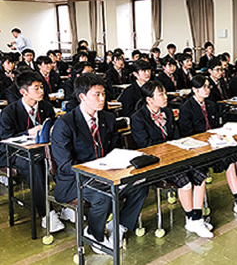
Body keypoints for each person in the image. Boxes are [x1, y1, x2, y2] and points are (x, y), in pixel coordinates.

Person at [51, 73, 149, 253]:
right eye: (97, 94)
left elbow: (116, 150)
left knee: (140, 185)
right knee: (103, 196)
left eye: (103, 93)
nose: (102, 98)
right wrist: (95, 172)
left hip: (108, 174)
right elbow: (65, 165)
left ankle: (118, 225)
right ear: (82, 97)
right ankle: (95, 234)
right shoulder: (65, 124)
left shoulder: (107, 119)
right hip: (75, 181)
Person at [130, 81, 213, 238]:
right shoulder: (138, 118)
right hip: (156, 163)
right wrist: (169, 148)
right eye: (160, 94)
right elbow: (145, 146)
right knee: (185, 182)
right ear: (149, 99)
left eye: (165, 93)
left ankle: (196, 218)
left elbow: (175, 136)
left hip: (175, 157)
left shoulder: (167, 113)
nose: (165, 97)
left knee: (200, 175)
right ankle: (192, 219)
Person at [179, 75, 237, 218]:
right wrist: (209, 137)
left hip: (216, 144)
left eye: (208, 86)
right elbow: (188, 134)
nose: (207, 90)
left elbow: (217, 127)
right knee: (230, 160)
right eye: (203, 87)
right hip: (200, 149)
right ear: (194, 89)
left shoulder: (211, 105)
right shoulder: (186, 108)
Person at [0, 71, 65, 232]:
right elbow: (5, 139)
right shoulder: (10, 111)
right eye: (36, 88)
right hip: (15, 153)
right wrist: (27, 133)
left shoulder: (46, 107)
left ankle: (67, 204)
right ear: (23, 92)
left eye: (41, 86)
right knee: (33, 164)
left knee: (62, 156)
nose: (41, 91)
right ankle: (46, 213)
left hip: (42, 148)